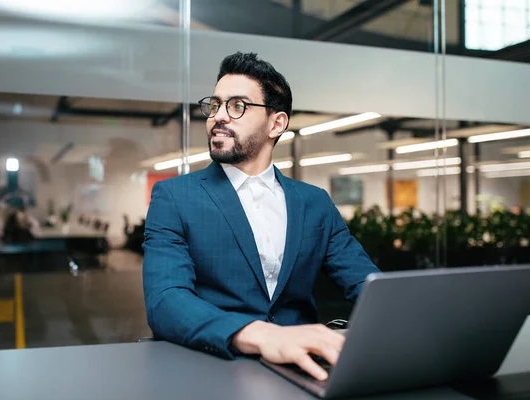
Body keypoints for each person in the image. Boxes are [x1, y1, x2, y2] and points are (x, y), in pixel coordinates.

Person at [143, 52, 381, 381]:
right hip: (214, 369)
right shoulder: (175, 197)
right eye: (215, 105)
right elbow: (166, 301)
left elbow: (368, 285)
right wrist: (265, 336)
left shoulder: (315, 202)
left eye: (237, 106)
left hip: (306, 370)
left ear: (276, 123)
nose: (218, 117)